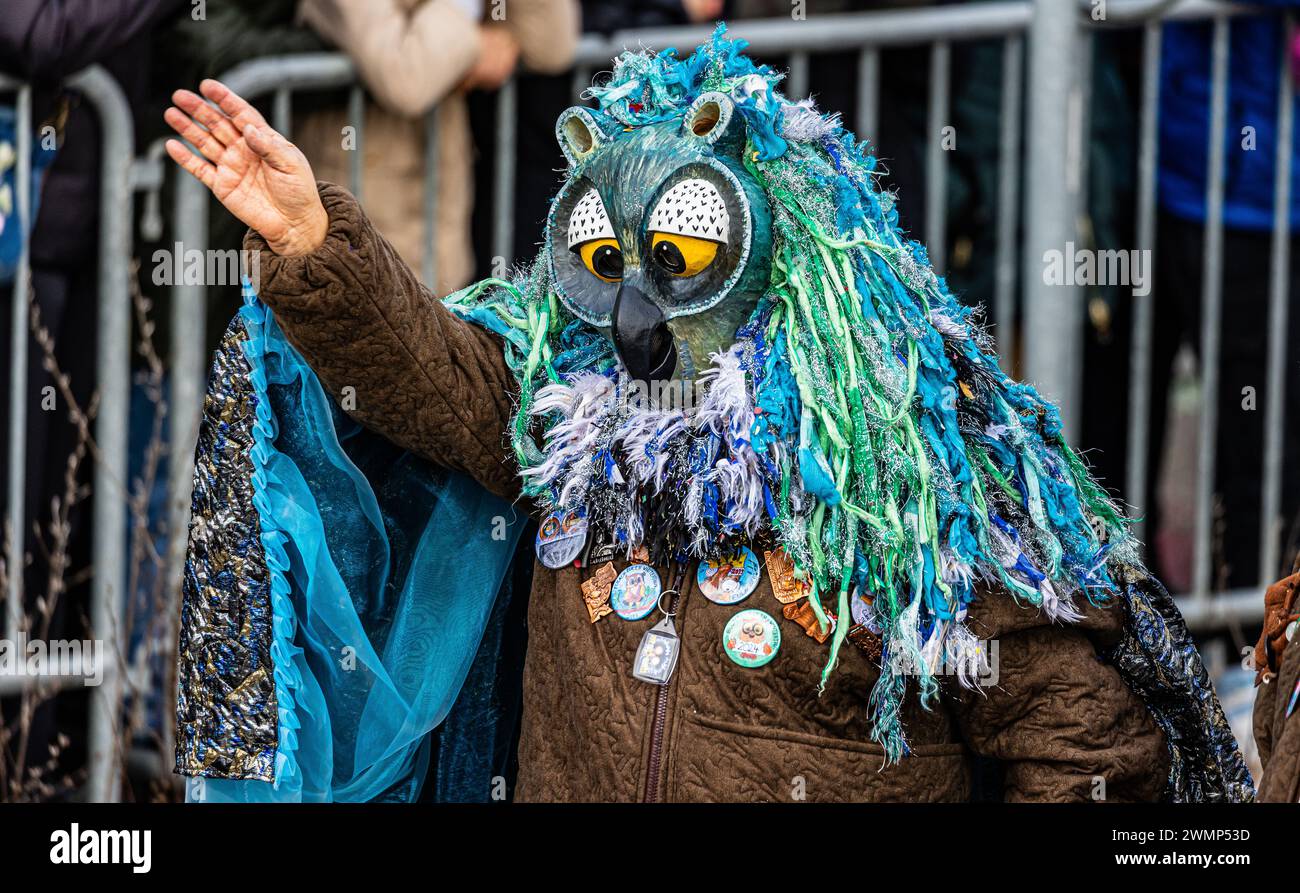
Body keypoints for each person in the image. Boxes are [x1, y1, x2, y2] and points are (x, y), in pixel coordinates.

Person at [164, 30, 1252, 802]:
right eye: (604, 262)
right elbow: (436, 377)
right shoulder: (568, 418)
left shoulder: (907, 473)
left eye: (677, 256)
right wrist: (314, 244)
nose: (638, 303)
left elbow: (1075, 735)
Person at [290, 0, 579, 294]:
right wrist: (475, 41)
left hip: (443, 242)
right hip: (364, 240)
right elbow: (408, 77)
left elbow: (552, 46)